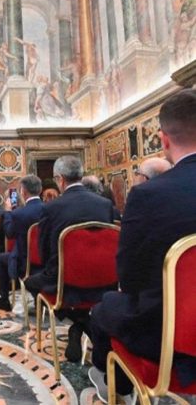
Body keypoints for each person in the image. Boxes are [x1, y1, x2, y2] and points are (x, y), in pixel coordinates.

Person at [88, 89, 196, 402]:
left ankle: (115, 385)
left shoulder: (149, 195)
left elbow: (129, 277)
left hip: (170, 335)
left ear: (163, 140)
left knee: (105, 307)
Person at [24, 156, 115, 362]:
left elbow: (44, 251)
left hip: (64, 282)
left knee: (30, 281)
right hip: (103, 281)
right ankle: (81, 325)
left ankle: (79, 323)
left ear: (60, 179)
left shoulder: (51, 208)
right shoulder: (104, 204)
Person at [0, 176, 43, 312]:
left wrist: (8, 213)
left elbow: (9, 233)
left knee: (1, 258)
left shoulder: (19, 213)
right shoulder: (51, 210)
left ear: (23, 192)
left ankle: (4, 298)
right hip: (47, 261)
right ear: (40, 190)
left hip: (25, 263)